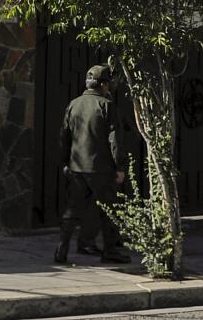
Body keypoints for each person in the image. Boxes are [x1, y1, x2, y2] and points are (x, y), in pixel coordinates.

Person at [56, 64, 131, 265]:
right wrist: (120, 167)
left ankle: (61, 248)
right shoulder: (107, 106)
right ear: (103, 84)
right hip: (100, 168)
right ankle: (111, 250)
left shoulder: (74, 104)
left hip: (76, 167)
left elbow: (64, 137)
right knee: (110, 211)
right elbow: (115, 139)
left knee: (72, 210)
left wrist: (65, 162)